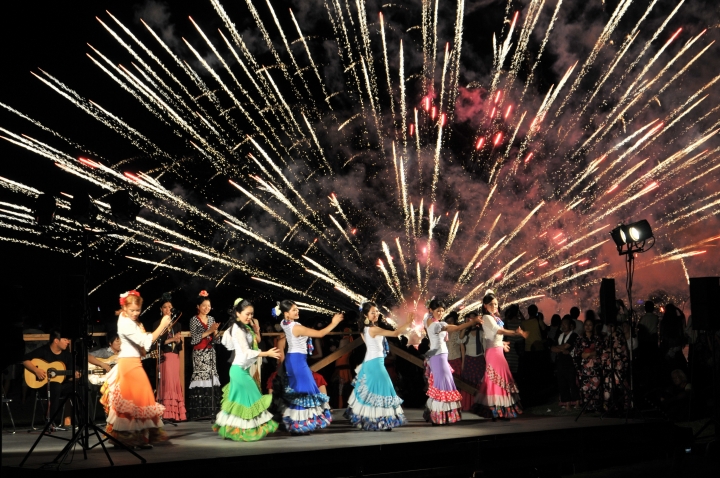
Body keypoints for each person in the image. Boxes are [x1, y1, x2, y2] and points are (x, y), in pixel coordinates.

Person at [101, 290, 170, 448]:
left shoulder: (129, 319)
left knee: (140, 399)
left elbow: (141, 343)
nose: (135, 313)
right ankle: (128, 438)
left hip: (134, 362)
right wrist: (163, 325)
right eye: (131, 310)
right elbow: (145, 340)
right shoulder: (125, 323)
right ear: (125, 308)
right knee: (135, 399)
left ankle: (140, 437)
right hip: (128, 364)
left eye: (137, 310)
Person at [213, 298, 281, 441]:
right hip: (239, 370)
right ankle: (245, 430)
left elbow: (229, 344)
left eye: (252, 314)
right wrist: (266, 353)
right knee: (252, 399)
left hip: (240, 369)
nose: (250, 317)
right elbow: (245, 352)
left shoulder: (242, 327)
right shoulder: (237, 329)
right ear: (238, 313)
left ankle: (231, 429)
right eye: (247, 314)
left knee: (239, 403)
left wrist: (256, 330)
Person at [276, 300, 343, 433]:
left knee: (300, 390)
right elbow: (320, 334)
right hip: (297, 361)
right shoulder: (295, 327)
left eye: (297, 308)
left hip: (293, 359)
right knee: (305, 390)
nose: (297, 311)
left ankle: (297, 422)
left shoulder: (284, 323)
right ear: (286, 313)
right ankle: (300, 424)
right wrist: (334, 323)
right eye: (294, 310)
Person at [344, 302, 408, 431]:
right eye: (372, 312)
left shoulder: (367, 328)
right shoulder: (372, 329)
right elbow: (395, 334)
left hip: (372, 362)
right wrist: (409, 322)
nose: (376, 314)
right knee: (384, 389)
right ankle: (380, 421)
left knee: (376, 391)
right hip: (374, 363)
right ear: (366, 315)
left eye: (377, 311)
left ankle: (375, 420)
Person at [423, 298, 480, 425]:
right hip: (439, 356)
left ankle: (437, 415)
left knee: (441, 385)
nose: (441, 313)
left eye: (442, 311)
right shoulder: (438, 325)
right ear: (431, 310)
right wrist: (472, 322)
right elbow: (457, 327)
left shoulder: (427, 320)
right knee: (442, 385)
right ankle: (438, 417)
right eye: (438, 310)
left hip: (438, 356)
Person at [474, 292, 527, 420]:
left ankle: (499, 410)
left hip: (496, 350)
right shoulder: (487, 318)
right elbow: (498, 331)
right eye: (491, 304)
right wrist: (514, 332)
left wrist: (501, 343)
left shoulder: (494, 318)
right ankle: (496, 411)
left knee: (501, 378)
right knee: (498, 379)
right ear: (485, 306)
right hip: (493, 352)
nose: (494, 306)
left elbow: (493, 336)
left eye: (496, 304)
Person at [22, 329, 80, 429]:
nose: (68, 342)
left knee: (79, 386)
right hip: (43, 386)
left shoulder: (67, 355)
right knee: (55, 385)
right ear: (56, 341)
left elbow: (70, 375)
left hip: (61, 386)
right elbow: (24, 359)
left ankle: (84, 421)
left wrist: (75, 377)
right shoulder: (43, 350)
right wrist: (36, 371)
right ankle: (51, 421)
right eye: (65, 339)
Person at [153, 295, 186, 422]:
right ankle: (165, 413)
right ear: (161, 309)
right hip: (164, 356)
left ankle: (175, 414)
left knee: (175, 383)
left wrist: (177, 340)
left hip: (174, 356)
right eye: (165, 307)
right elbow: (158, 342)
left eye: (170, 307)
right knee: (166, 384)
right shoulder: (158, 324)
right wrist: (172, 339)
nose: (168, 310)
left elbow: (180, 346)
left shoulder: (177, 324)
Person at [188, 290, 221, 419]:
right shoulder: (194, 320)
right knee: (201, 379)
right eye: (204, 306)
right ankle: (199, 412)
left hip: (211, 352)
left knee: (211, 378)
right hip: (199, 353)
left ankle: (211, 410)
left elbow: (216, 340)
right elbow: (195, 339)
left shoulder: (212, 319)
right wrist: (209, 331)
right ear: (198, 307)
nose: (207, 308)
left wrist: (215, 332)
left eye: (209, 306)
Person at [572, 315, 604, 412]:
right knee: (585, 387)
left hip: (595, 365)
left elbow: (599, 350)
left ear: (593, 326)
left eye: (590, 325)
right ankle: (587, 406)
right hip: (584, 366)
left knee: (595, 385)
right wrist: (585, 354)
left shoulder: (597, 338)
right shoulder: (580, 339)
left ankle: (596, 406)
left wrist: (589, 353)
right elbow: (577, 353)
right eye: (586, 325)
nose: (588, 327)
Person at [550, 316, 579, 410]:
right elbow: (552, 348)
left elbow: (566, 346)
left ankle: (577, 402)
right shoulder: (559, 335)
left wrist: (560, 348)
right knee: (562, 382)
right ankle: (567, 403)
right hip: (561, 362)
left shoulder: (574, 335)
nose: (563, 326)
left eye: (565, 324)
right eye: (562, 324)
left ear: (570, 325)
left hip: (570, 362)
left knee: (572, 382)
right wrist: (561, 349)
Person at [459, 311, 484, 411]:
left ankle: (479, 405)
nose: (473, 321)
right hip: (469, 359)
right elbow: (460, 339)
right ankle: (468, 405)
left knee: (479, 381)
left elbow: (485, 347)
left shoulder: (481, 332)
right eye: (470, 319)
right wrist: (466, 325)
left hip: (479, 359)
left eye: (474, 319)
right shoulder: (466, 333)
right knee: (468, 382)